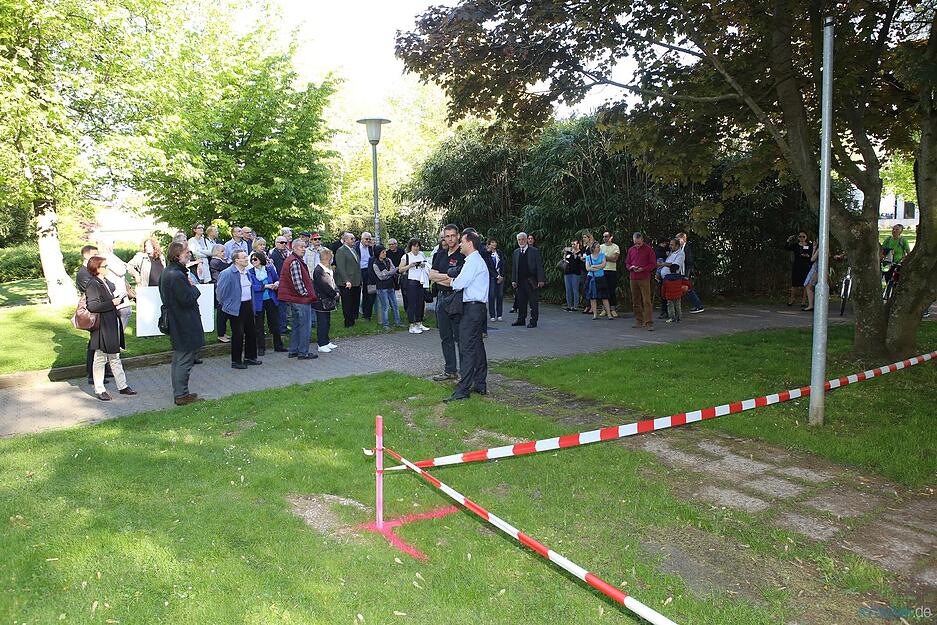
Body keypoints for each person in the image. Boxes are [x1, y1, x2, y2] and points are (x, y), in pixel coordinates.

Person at [439, 229, 490, 401]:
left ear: (469, 243)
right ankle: (480, 383)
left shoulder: (473, 261)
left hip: (472, 309)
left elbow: (460, 283)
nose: (459, 244)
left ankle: (463, 390)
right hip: (477, 308)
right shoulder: (475, 260)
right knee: (476, 346)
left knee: (467, 348)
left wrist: (448, 279)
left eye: (461, 241)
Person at [84, 256, 137, 401]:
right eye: (105, 266)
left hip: (111, 323)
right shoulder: (93, 284)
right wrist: (112, 303)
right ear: (96, 268)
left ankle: (123, 386)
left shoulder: (104, 281)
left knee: (115, 356)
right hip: (102, 326)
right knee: (100, 358)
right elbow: (92, 306)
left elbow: (112, 288)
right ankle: (99, 389)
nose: (108, 268)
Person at [159, 242, 204, 405]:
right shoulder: (176, 275)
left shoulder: (169, 272)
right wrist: (194, 287)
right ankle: (181, 395)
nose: (189, 254)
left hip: (179, 320)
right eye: (186, 252)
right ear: (177, 255)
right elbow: (187, 299)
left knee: (180, 358)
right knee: (184, 358)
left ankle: (181, 393)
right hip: (183, 322)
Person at [216, 251, 262, 369]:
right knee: (238, 333)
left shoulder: (246, 273)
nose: (247, 259)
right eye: (244, 257)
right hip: (236, 307)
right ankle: (236, 360)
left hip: (247, 305)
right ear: (236, 260)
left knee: (251, 332)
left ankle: (250, 357)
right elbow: (220, 292)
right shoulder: (227, 273)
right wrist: (228, 304)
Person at [430, 224, 464, 379]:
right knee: (445, 337)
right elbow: (431, 275)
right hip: (441, 299)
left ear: (458, 236)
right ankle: (450, 370)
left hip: (456, 299)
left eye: (452, 235)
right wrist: (446, 278)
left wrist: (442, 278)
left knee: (460, 337)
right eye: (447, 236)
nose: (450, 239)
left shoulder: (462, 255)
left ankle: (465, 372)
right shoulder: (440, 254)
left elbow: (457, 280)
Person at [278, 238, 318, 360]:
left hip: (293, 298)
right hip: (299, 299)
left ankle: (294, 350)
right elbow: (297, 282)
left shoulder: (292, 259)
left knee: (296, 325)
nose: (304, 249)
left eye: (305, 247)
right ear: (294, 248)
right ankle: (303, 352)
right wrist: (305, 294)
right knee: (305, 326)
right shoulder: (294, 261)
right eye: (301, 247)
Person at [248, 251, 285, 356]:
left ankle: (278, 345)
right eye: (252, 260)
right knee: (259, 325)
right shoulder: (250, 272)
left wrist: (276, 284)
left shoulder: (269, 269)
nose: (253, 261)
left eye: (255, 259)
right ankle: (260, 347)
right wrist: (265, 286)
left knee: (274, 323)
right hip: (259, 301)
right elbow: (252, 287)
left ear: (261, 260)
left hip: (271, 299)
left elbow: (277, 279)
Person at [96, 239, 133, 334]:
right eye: (112, 244)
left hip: (111, 291)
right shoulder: (107, 257)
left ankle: (112, 343)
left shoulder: (105, 257)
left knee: (119, 316)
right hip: (115, 292)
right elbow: (122, 270)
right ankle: (115, 343)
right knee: (124, 313)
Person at [511, 232, 545, 328]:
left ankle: (533, 321)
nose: (521, 241)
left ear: (526, 240)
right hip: (520, 281)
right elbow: (514, 267)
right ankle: (521, 319)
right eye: (519, 240)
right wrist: (514, 280)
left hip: (531, 280)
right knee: (521, 301)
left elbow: (539, 266)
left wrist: (541, 280)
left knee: (533, 302)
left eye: (522, 239)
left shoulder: (534, 251)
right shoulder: (516, 252)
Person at [626, 232, 657, 331]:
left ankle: (648, 322)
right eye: (635, 243)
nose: (637, 245)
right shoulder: (631, 250)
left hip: (644, 277)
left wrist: (643, 269)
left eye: (639, 243)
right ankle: (639, 320)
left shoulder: (648, 250)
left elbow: (653, 264)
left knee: (646, 300)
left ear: (642, 240)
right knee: (636, 300)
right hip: (633, 277)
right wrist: (631, 267)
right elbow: (627, 263)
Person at [399, 238, 430, 334]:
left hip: (421, 281)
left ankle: (419, 322)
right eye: (414, 246)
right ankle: (412, 324)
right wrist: (410, 265)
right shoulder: (406, 256)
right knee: (412, 303)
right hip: (411, 281)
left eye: (417, 246)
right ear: (410, 247)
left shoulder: (421, 254)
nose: (416, 248)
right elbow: (400, 269)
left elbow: (426, 264)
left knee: (420, 302)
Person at [312, 247, 339, 353]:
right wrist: (334, 294)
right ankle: (321, 343)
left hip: (327, 300)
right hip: (321, 301)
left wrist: (336, 291)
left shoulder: (327, 270)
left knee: (327, 322)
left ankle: (326, 341)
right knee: (322, 322)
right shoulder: (319, 270)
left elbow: (332, 283)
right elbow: (325, 286)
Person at [335, 232, 362, 328]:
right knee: (347, 303)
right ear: (345, 240)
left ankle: (353, 319)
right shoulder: (341, 250)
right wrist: (346, 280)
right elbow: (341, 267)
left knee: (355, 301)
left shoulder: (353, 250)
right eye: (352, 238)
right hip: (347, 282)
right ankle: (348, 322)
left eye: (354, 238)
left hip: (356, 281)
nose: (354, 240)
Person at [370, 246, 401, 329]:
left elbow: (393, 269)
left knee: (395, 305)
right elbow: (381, 277)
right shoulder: (375, 264)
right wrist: (390, 273)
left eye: (385, 251)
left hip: (391, 285)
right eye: (383, 252)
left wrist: (387, 273)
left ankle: (398, 322)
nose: (385, 253)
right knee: (385, 306)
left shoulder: (388, 260)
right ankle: (386, 324)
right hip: (382, 287)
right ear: (378, 253)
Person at [207, 244, 231, 343]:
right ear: (216, 252)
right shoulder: (215, 261)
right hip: (220, 288)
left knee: (224, 312)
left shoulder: (219, 261)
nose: (224, 253)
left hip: (223, 287)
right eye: (222, 251)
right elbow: (227, 267)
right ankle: (220, 334)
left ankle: (223, 332)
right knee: (221, 313)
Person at [676, 232, 704, 313]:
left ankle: (698, 306)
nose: (677, 241)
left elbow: (689, 262)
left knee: (688, 289)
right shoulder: (681, 248)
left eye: (678, 239)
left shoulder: (687, 248)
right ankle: (697, 305)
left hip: (687, 272)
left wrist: (687, 275)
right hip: (683, 271)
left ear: (683, 239)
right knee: (687, 289)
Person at [584, 241, 612, 320]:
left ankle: (609, 314)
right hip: (591, 278)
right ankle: (595, 314)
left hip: (601, 277)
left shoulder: (602, 255)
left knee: (604, 296)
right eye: (598, 247)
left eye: (599, 247)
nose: (599, 248)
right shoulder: (588, 257)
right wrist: (597, 267)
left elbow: (603, 265)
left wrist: (594, 266)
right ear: (593, 248)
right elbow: (588, 268)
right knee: (592, 297)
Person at [785, 231, 813, 307]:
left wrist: (808, 256)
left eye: (803, 236)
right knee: (794, 283)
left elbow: (812, 254)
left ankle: (803, 301)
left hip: (806, 266)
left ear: (806, 237)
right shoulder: (795, 245)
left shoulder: (810, 245)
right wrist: (788, 240)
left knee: (805, 284)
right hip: (797, 266)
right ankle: (792, 299)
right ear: (798, 237)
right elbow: (787, 248)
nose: (802, 238)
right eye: (800, 236)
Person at [599, 231, 621, 317]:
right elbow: (598, 258)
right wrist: (607, 258)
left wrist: (604, 257)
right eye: (604, 236)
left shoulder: (615, 247)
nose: (605, 238)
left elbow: (615, 258)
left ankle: (613, 309)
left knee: (612, 290)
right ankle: (604, 309)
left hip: (612, 270)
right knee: (603, 290)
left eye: (606, 236)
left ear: (611, 237)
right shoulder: (600, 247)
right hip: (602, 270)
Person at [356, 231, 376, 321]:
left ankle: (367, 314)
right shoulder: (356, 247)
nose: (368, 241)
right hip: (358, 271)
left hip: (368, 271)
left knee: (368, 293)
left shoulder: (371, 248)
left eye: (369, 239)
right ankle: (356, 312)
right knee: (356, 292)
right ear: (362, 239)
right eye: (366, 239)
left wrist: (373, 247)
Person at [562, 240, 585, 312]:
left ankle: (575, 306)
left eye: (574, 244)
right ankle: (569, 305)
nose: (573, 245)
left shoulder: (580, 253)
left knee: (575, 289)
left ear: (578, 244)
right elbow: (565, 260)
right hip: (567, 272)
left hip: (576, 273)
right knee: (568, 289)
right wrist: (565, 254)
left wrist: (576, 255)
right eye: (572, 244)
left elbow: (581, 261)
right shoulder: (569, 252)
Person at [386, 238, 406, 311]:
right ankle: (393, 307)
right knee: (391, 291)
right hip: (392, 274)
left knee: (404, 291)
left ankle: (406, 307)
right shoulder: (387, 253)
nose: (391, 246)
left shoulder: (401, 251)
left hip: (401, 272)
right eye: (390, 244)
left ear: (396, 244)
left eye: (393, 244)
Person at [487, 238, 504, 321]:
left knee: (500, 295)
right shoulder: (487, 254)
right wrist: (497, 276)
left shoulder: (499, 253)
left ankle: (499, 314)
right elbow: (488, 268)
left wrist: (501, 276)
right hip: (492, 277)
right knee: (492, 295)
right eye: (492, 242)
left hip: (500, 277)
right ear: (489, 244)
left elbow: (503, 264)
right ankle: (492, 315)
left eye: (495, 242)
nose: (494, 244)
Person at [580, 232, 596, 313]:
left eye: (585, 237)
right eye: (583, 237)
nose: (584, 239)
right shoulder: (584, 247)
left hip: (590, 269)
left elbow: (594, 257)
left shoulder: (592, 247)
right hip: (583, 269)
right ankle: (587, 305)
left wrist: (585, 259)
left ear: (589, 238)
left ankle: (592, 307)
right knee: (584, 287)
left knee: (591, 287)